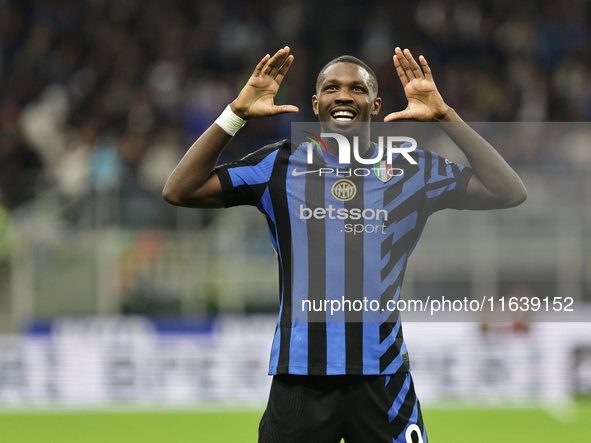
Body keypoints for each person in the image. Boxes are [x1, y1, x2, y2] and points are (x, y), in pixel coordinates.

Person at [163, 46, 527, 443]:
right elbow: (180, 190)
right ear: (316, 103)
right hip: (300, 378)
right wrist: (235, 115)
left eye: (357, 88)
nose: (344, 95)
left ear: (376, 103)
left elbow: (508, 191)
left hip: (383, 377)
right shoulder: (279, 165)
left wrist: (446, 117)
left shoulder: (412, 168)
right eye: (332, 88)